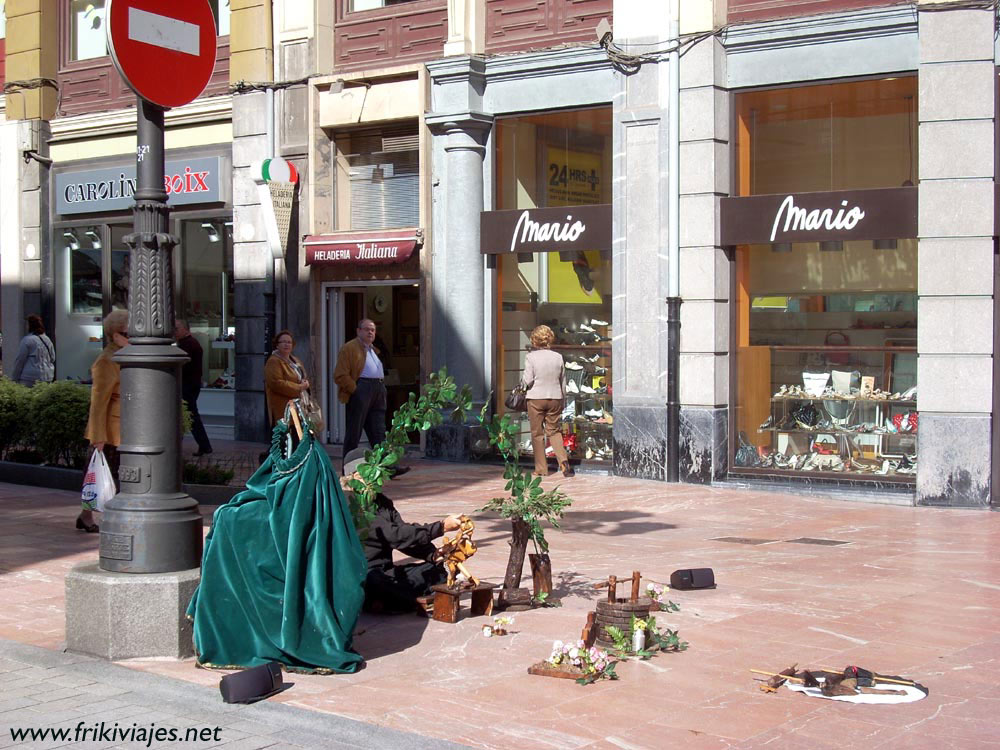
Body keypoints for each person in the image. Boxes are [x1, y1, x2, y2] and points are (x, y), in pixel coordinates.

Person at [187, 404, 367, 673]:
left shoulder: (310, 458)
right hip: (279, 509)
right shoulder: (303, 452)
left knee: (230, 520)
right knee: (228, 518)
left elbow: (296, 500)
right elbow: (274, 485)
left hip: (290, 515)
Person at [340, 448, 461, 613]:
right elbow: (394, 535)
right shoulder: (350, 505)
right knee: (375, 583)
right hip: (360, 576)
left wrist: (433, 555)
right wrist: (440, 527)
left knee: (436, 571)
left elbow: (403, 536)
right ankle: (386, 601)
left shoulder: (383, 502)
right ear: (356, 477)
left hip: (386, 572)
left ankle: (393, 602)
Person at [80, 310, 129, 533]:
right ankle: (90, 515)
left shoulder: (127, 353)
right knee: (103, 476)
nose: (132, 338)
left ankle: (87, 515)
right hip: (111, 429)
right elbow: (98, 401)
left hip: (126, 425)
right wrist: (98, 436)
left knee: (111, 475)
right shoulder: (107, 360)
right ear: (115, 334)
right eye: (127, 333)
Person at [333, 319, 388, 466]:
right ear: (359, 331)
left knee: (378, 431)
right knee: (354, 433)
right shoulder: (349, 348)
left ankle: (386, 466)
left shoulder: (374, 350)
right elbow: (340, 374)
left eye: (373, 330)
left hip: (378, 390)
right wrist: (356, 390)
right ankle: (348, 468)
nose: (370, 332)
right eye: (367, 329)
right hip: (362, 389)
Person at [522, 324, 574, 478]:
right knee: (554, 431)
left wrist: (522, 386)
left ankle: (541, 469)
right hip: (555, 397)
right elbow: (563, 381)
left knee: (537, 434)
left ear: (534, 340)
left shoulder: (530, 357)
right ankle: (563, 461)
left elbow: (527, 380)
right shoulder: (558, 357)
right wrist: (563, 399)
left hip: (536, 398)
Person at [174, 319, 213, 457]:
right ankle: (203, 445)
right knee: (188, 414)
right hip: (189, 384)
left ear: (185, 329)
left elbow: (183, 366)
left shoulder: (188, 344)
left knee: (189, 414)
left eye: (177, 328)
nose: (174, 330)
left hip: (188, 385)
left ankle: (204, 445)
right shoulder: (186, 344)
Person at [263, 330, 310, 427]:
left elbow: (302, 375)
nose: (286, 344)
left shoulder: (294, 360)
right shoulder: (274, 361)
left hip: (298, 407)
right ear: (277, 345)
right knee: (285, 439)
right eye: (283, 342)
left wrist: (305, 382)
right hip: (283, 409)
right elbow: (276, 383)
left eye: (289, 342)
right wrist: (299, 387)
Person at [11, 314, 55, 387]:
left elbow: (20, 360)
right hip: (48, 376)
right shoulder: (47, 339)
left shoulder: (27, 340)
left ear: (30, 325)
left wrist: (14, 378)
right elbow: (53, 358)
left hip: (30, 378)